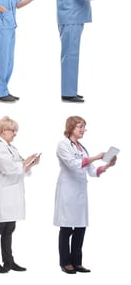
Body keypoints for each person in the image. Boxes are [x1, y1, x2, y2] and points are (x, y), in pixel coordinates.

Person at [54, 116, 117, 274]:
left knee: (81, 228)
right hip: (67, 192)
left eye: (84, 127)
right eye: (79, 127)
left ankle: (77, 262)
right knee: (67, 229)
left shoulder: (82, 148)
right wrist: (96, 156)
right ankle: (65, 262)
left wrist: (107, 165)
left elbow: (92, 171)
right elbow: (74, 165)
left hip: (80, 192)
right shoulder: (63, 145)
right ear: (70, 128)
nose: (82, 130)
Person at [57, 0, 114, 103]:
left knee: (72, 56)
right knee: (70, 55)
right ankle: (68, 93)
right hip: (70, 20)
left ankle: (70, 90)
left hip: (74, 19)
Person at [0, 116, 40, 273]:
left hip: (14, 193)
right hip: (2, 193)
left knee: (10, 227)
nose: (15, 134)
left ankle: (9, 260)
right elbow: (8, 168)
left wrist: (30, 163)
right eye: (13, 131)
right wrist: (24, 163)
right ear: (3, 131)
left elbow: (20, 167)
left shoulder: (12, 148)